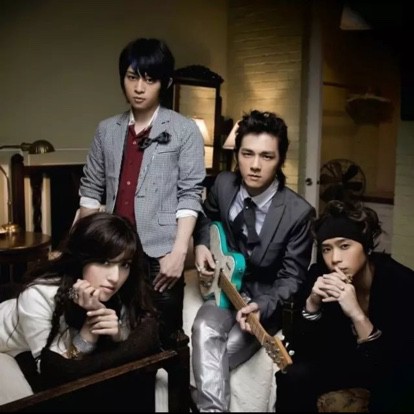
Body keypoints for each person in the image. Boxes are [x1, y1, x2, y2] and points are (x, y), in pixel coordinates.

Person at [78, 37, 206, 346]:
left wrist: (178, 253)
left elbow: (190, 194)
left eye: (149, 80)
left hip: (160, 253)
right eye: (132, 77)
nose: (138, 88)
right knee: (108, 335)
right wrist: (83, 250)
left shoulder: (184, 130)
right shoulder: (106, 130)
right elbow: (91, 190)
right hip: (113, 251)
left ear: (165, 83)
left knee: (164, 338)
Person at [191, 109, 315, 412]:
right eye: (247, 154)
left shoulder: (299, 213)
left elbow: (292, 278)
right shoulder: (222, 184)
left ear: (280, 159)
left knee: (212, 360)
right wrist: (203, 244)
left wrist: (264, 305)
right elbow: (207, 216)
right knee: (203, 328)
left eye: (267, 156)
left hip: (261, 304)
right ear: (237, 154)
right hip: (222, 288)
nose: (255, 165)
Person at [0, 212, 159, 409]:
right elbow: (52, 374)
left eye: (124, 264)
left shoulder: (120, 291)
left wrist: (119, 334)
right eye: (105, 262)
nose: (115, 277)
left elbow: (135, 331)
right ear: (82, 258)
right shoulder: (38, 296)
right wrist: (88, 333)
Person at [275, 200, 414, 412]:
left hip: (389, 368)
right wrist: (312, 304)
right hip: (344, 363)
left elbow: (394, 364)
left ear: (366, 246)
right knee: (292, 376)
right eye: (326, 249)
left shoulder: (401, 283)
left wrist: (357, 315)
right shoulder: (319, 276)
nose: (335, 259)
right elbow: (301, 350)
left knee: (394, 388)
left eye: (345, 246)